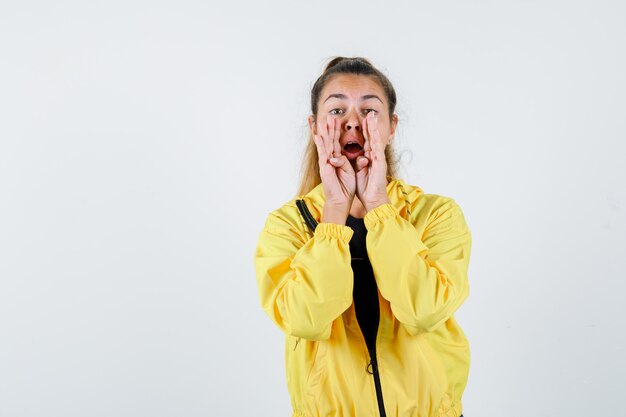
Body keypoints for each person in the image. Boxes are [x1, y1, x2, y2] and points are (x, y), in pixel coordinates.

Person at [253, 56, 471, 417]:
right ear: (315, 126)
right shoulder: (286, 225)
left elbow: (424, 311)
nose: (352, 122)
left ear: (391, 127)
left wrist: (379, 206)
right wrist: (334, 213)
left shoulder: (436, 214)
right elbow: (305, 319)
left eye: (369, 111)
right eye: (337, 110)